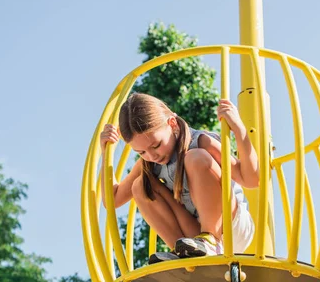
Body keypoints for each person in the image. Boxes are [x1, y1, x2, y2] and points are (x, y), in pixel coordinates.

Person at [100, 93, 259, 263]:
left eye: (156, 145)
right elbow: (113, 199)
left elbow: (251, 180)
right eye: (141, 152)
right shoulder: (150, 162)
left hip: (231, 228)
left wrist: (238, 128)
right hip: (195, 235)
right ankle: (182, 253)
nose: (152, 155)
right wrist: (105, 153)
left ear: (172, 124)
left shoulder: (200, 142)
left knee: (195, 158)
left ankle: (210, 241)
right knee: (140, 185)